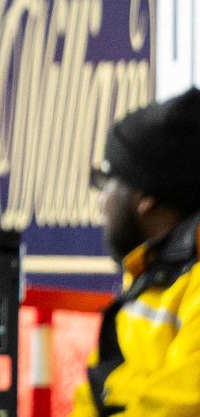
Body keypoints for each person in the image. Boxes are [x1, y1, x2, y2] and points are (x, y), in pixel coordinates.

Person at [72, 88, 200, 416]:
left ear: (144, 198)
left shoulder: (191, 280)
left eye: (106, 179)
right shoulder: (150, 273)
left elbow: (179, 406)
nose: (101, 201)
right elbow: (96, 393)